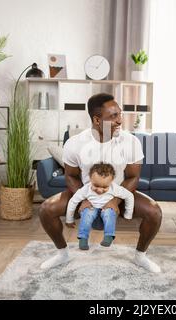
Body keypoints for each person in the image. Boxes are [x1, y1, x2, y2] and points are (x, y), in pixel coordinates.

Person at [39, 93, 163, 273]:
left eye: (120, 114)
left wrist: (115, 200)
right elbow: (71, 176)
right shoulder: (75, 143)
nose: (120, 120)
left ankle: (140, 256)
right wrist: (84, 199)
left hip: (118, 192)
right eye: (113, 116)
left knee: (154, 212)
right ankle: (62, 253)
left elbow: (132, 177)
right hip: (87, 192)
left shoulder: (130, 141)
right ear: (97, 120)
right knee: (46, 210)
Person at [65, 162, 134, 250]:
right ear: (90, 179)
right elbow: (73, 201)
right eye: (96, 186)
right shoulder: (85, 189)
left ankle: (108, 236)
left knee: (109, 212)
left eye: (105, 187)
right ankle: (83, 238)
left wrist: (128, 214)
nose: (100, 190)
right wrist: (69, 219)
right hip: (91, 209)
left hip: (106, 210)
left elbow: (129, 196)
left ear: (111, 181)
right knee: (87, 213)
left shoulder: (114, 188)